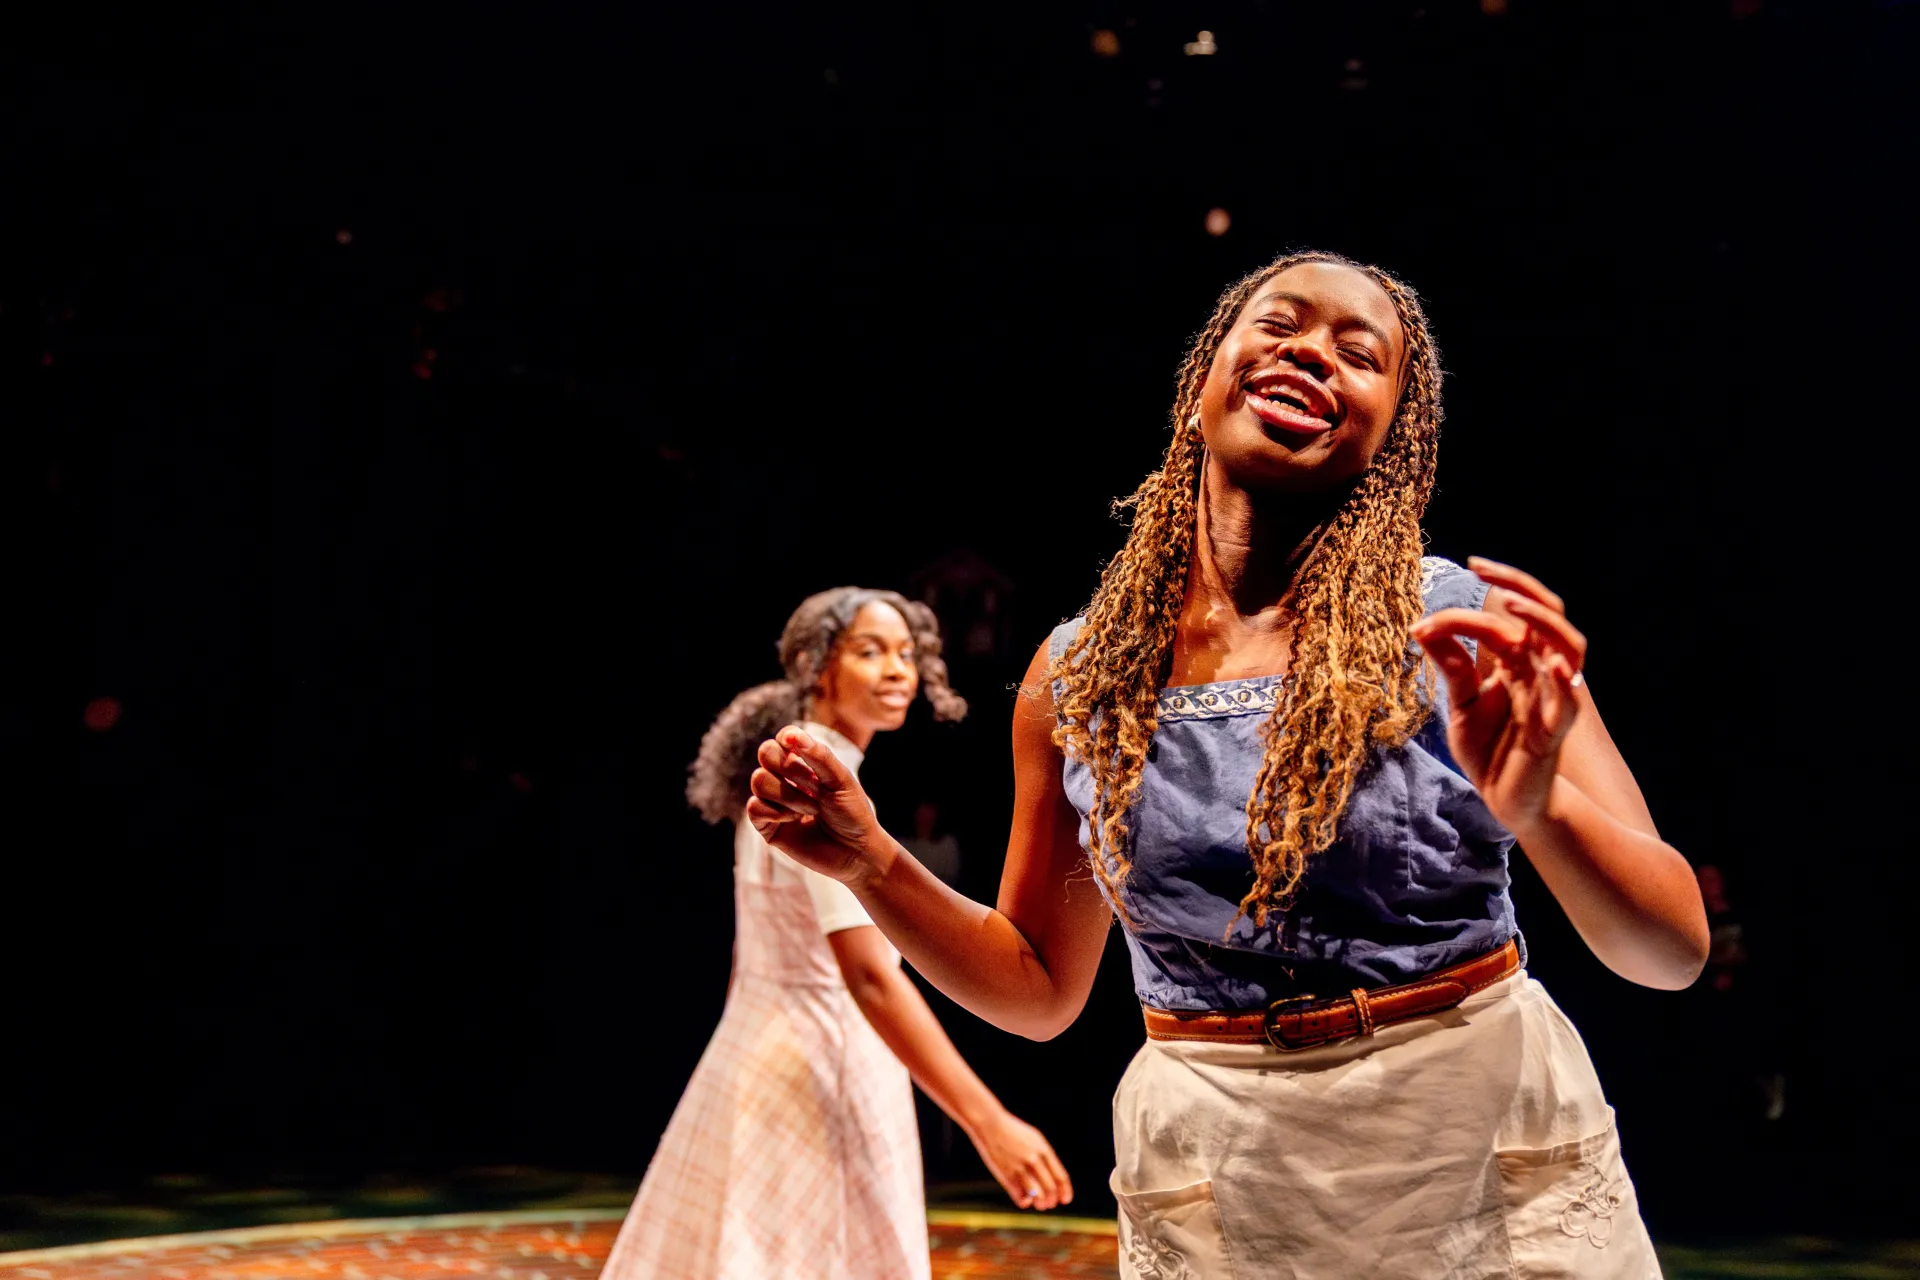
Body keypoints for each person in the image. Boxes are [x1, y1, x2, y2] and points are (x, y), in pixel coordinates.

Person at [746, 252, 1710, 1277]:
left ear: (1394, 432)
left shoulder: (1459, 629)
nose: (1310, 351)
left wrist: (1541, 809)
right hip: (1221, 1166)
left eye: (1358, 351)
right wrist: (871, 862)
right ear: (1208, 372)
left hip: (1473, 1140)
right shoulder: (1078, 675)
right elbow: (1037, 988)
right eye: (1282, 323)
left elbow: (1672, 949)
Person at [600, 587, 1071, 1280]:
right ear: (817, 664)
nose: (896, 670)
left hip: (753, 1060)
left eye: (907, 654)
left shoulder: (787, 768)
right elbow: (870, 975)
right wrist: (986, 1121)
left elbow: (747, 957)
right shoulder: (816, 777)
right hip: (825, 1067)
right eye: (870, 651)